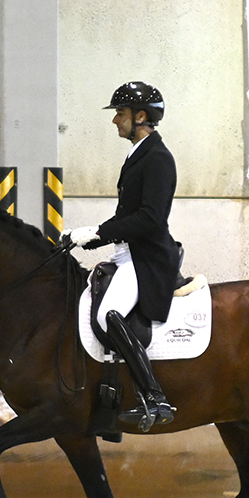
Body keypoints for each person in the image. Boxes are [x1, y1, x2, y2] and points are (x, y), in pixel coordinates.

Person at [64, 81, 182, 432]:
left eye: (121, 113)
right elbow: (128, 217)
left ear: (141, 116)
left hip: (146, 260)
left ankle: (153, 397)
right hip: (125, 254)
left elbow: (150, 218)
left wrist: (100, 232)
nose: (115, 120)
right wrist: (88, 237)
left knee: (108, 314)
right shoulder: (137, 156)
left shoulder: (158, 158)